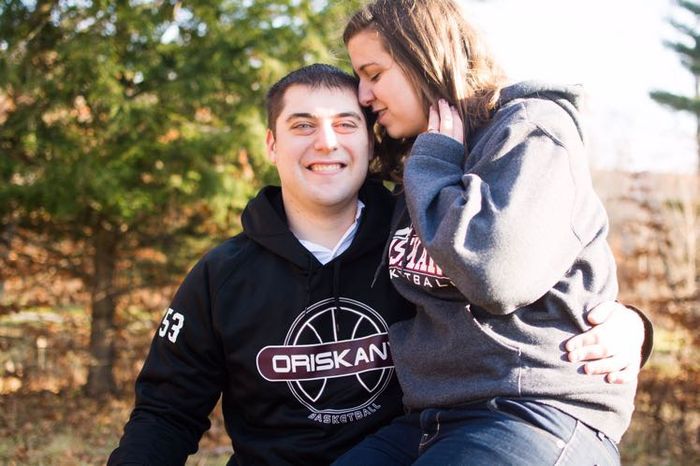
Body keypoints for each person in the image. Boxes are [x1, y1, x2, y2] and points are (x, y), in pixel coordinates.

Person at [109, 64, 649, 466]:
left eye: (346, 124)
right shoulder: (222, 274)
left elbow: (522, 288)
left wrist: (629, 326)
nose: (326, 142)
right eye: (302, 125)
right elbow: (166, 413)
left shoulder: (425, 237)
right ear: (272, 144)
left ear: (370, 143)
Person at [334, 1, 647, 465]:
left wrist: (434, 161)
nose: (363, 95)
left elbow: (495, 275)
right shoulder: (421, 161)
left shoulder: (531, 129)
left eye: (374, 74)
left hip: (534, 409)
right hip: (430, 418)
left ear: (424, 56)